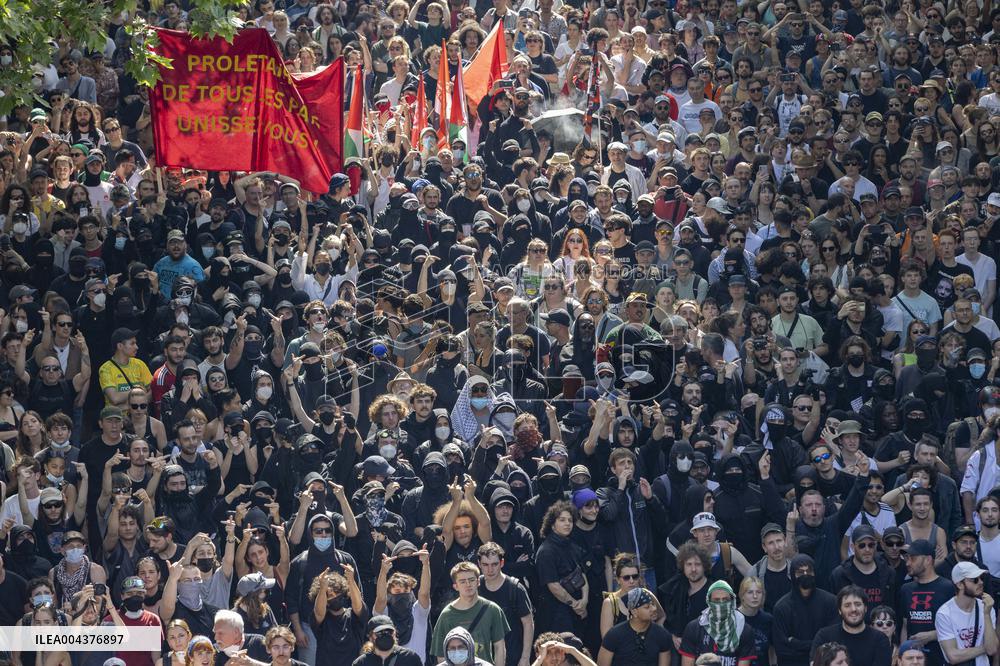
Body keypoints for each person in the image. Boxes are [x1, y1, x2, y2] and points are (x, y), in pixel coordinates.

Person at [598, 588, 672, 666]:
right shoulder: (614, 635)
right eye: (647, 607)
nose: (653, 609)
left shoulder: (662, 635)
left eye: (653, 604)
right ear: (634, 612)